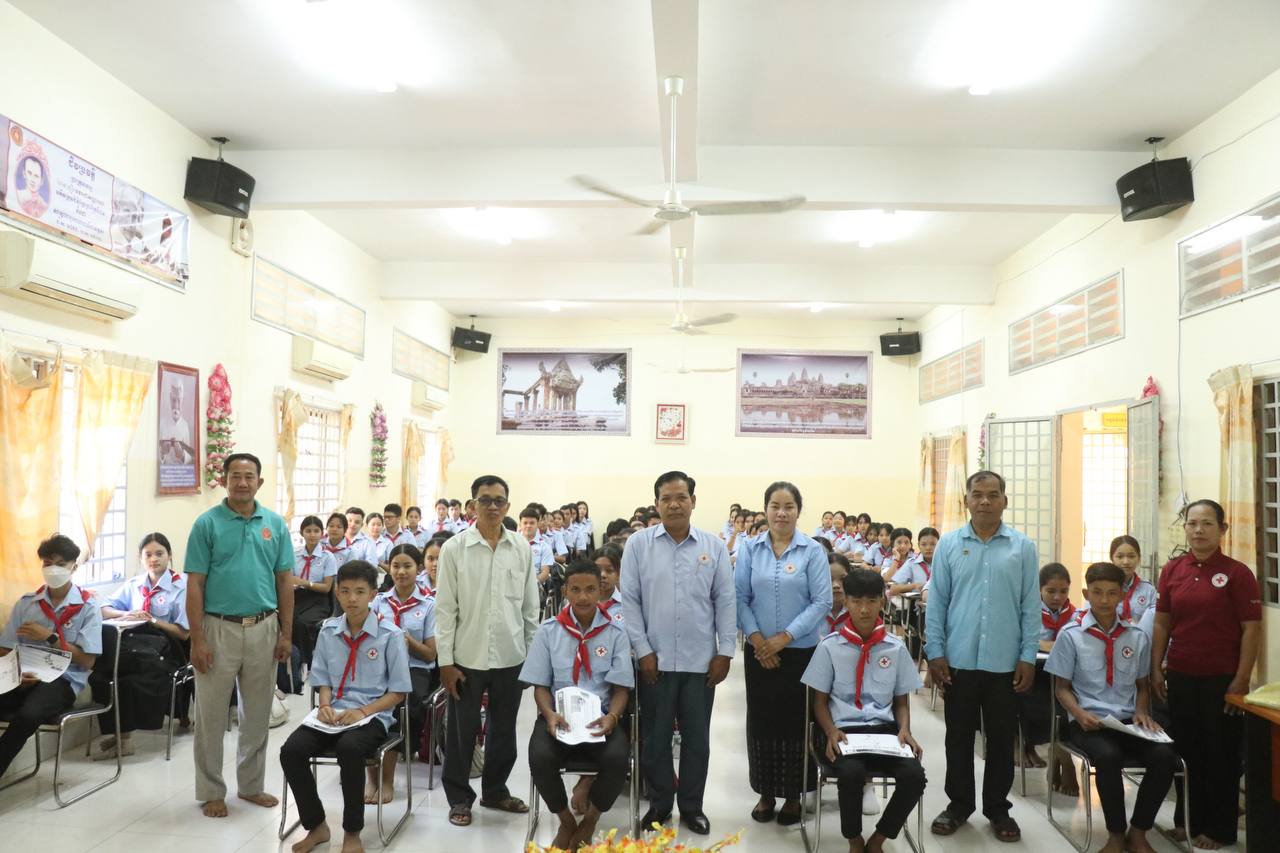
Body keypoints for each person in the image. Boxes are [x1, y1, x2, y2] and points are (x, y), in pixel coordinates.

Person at [924, 470, 1039, 843]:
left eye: (993, 495)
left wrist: (1027, 656)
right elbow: (937, 602)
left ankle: (998, 809)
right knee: (958, 738)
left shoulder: (1022, 547)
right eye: (977, 494)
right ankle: (958, 805)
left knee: (1001, 740)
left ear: (1005, 500)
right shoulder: (949, 545)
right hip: (958, 661)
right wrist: (935, 651)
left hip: (1005, 663)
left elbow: (1030, 607)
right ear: (967, 501)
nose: (985, 501)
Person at [621, 470, 735, 835]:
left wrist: (725, 651)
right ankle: (659, 805)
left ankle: (691, 807)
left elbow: (725, 601)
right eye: (666, 498)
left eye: (681, 497)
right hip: (654, 661)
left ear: (693, 502)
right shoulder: (638, 545)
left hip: (701, 662)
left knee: (697, 740)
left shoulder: (713, 547)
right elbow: (630, 601)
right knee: (655, 740)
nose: (674, 504)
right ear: (656, 504)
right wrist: (642, 650)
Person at [184, 452, 294, 818]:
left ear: (259, 482)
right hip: (218, 628)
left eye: (249, 476)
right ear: (225, 480)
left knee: (258, 715)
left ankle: (251, 786)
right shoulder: (207, 524)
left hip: (264, 627)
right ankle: (211, 790)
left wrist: (286, 634)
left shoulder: (275, 524)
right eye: (235, 476)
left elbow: (284, 581)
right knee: (211, 715)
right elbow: (195, 584)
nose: (242, 482)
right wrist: (197, 639)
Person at [1150, 499, 1261, 850]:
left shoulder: (1238, 574)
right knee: (1186, 751)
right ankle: (1188, 821)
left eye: (1207, 524)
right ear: (1185, 528)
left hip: (1223, 679)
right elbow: (1162, 623)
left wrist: (1241, 679)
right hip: (1181, 674)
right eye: (1192, 523)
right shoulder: (1173, 570)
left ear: (1222, 529)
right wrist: (1155, 668)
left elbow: (1251, 629)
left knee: (1221, 753)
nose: (1198, 530)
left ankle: (1220, 829)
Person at [279, 560, 412, 853]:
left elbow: (399, 693)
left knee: (349, 749)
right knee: (291, 751)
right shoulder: (328, 631)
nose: (352, 598)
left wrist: (363, 712)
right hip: (334, 713)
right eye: (346, 591)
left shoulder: (390, 635)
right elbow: (323, 680)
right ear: (337, 593)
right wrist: (325, 705)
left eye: (360, 592)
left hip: (372, 715)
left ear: (373, 594)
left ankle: (352, 833)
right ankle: (317, 826)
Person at [1047, 562, 1177, 853]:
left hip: (1128, 722)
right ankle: (1115, 834)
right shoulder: (1071, 635)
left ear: (1123, 595)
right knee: (1108, 756)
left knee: (1165, 758)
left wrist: (1141, 711)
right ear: (1086, 594)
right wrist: (1079, 714)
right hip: (1088, 722)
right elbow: (1061, 689)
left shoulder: (1136, 636)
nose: (1104, 600)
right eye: (1097, 592)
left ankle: (1139, 832)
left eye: (1111, 593)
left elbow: (1142, 686)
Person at [435, 474, 539, 827]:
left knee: (504, 730)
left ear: (507, 506)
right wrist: (446, 663)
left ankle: (495, 791)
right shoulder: (455, 549)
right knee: (462, 732)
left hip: (511, 655)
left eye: (499, 500)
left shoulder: (521, 547)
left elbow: (530, 608)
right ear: (472, 505)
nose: (492, 506)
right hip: (467, 657)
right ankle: (459, 798)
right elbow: (445, 610)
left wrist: (531, 658)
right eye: (485, 500)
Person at [801, 568, 927, 853]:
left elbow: (901, 701)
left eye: (871, 601)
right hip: (845, 732)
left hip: (885, 732)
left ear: (882, 601)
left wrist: (905, 729)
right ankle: (854, 840)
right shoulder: (829, 647)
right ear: (845, 601)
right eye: (856, 601)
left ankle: (878, 839)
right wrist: (830, 731)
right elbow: (819, 702)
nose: (864, 609)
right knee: (851, 774)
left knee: (914, 776)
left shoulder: (895, 648)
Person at [736, 481, 832, 825]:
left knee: (796, 724)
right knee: (761, 722)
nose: (781, 513)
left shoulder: (812, 551)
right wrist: (758, 640)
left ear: (798, 511)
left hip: (800, 654)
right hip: (758, 653)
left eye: (788, 506)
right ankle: (765, 793)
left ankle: (793, 796)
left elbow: (822, 601)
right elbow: (739, 598)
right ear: (765, 510)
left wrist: (784, 638)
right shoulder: (750, 549)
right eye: (775, 506)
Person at [521, 560, 633, 849]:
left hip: (600, 719)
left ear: (600, 590)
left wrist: (613, 717)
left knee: (618, 758)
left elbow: (621, 688)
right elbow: (540, 686)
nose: (583, 597)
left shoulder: (616, 633)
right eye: (576, 589)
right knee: (539, 756)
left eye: (590, 589)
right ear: (565, 591)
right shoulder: (548, 631)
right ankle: (566, 821)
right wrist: (549, 715)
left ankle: (590, 821)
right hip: (558, 718)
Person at [0, 535, 102, 776]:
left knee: (28, 715)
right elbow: (5, 648)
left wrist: (49, 637)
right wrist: (17, 672)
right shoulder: (27, 604)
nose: (53, 569)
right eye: (47, 563)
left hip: (63, 680)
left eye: (60, 564)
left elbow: (87, 661)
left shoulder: (88, 608)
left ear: (74, 566)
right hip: (23, 675)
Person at [94, 532, 191, 758]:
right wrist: (126, 613)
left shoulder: (181, 586)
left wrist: (152, 620)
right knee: (100, 677)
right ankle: (120, 734)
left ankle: (125, 740)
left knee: (128, 679)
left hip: (168, 650)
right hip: (136, 648)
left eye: (159, 553)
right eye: (148, 554)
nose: (153, 559)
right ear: (140, 557)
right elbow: (103, 609)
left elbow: (183, 633)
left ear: (169, 555)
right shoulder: (134, 584)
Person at [370, 543, 437, 802]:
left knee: (402, 704)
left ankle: (388, 777)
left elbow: (430, 654)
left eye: (407, 566)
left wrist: (406, 641)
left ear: (418, 568)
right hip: (381, 667)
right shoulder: (379, 602)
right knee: (366, 700)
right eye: (396, 566)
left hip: (414, 668)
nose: (401, 572)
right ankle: (371, 774)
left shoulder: (429, 605)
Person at [1027, 563, 1077, 789]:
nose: (1058, 597)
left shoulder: (1076, 615)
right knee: (1043, 703)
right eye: (1051, 591)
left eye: (1063, 591)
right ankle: (1056, 753)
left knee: (1067, 702)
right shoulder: (1029, 611)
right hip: (1036, 674)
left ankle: (1061, 753)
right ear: (1039, 590)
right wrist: (1042, 644)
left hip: (1064, 675)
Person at [289, 515, 338, 679]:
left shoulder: (327, 557)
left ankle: (306, 662)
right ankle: (293, 662)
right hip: (297, 597)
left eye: (316, 531)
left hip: (318, 599)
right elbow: (289, 579)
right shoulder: (294, 554)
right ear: (301, 533)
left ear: (322, 533)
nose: (312, 534)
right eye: (308, 531)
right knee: (287, 620)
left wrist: (305, 583)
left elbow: (327, 587)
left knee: (302, 623)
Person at [825, 554, 851, 635]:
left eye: (843, 579)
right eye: (829, 579)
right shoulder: (810, 613)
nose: (836, 585)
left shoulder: (858, 612)